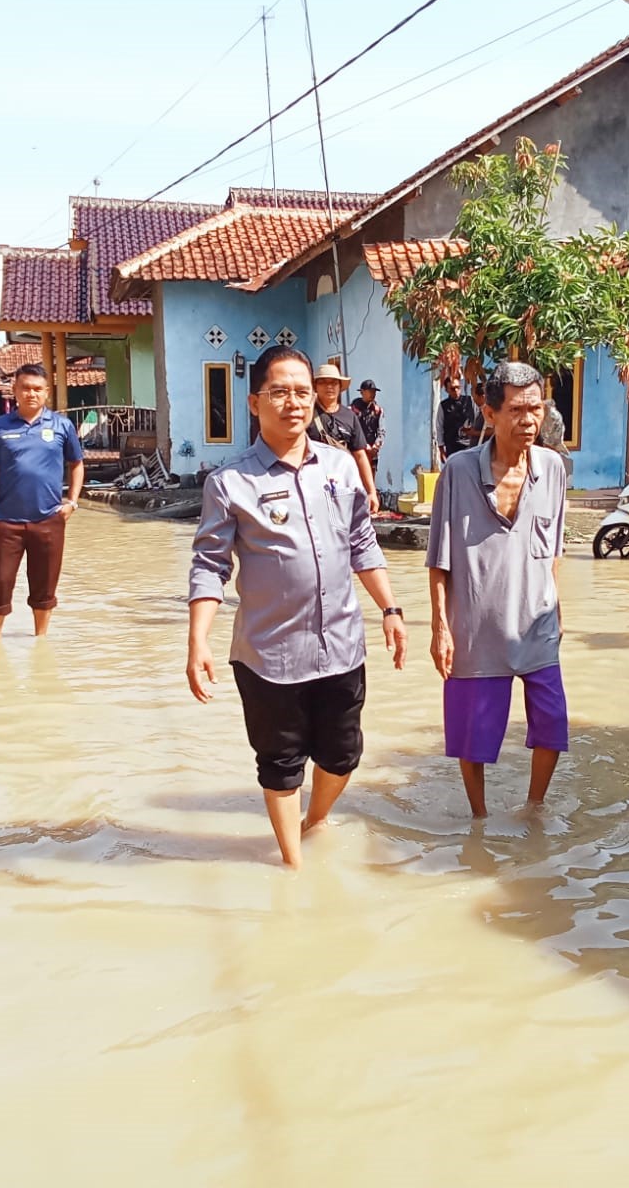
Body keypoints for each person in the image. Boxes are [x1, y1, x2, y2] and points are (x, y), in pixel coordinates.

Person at [187, 345, 408, 869]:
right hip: (270, 654)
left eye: (302, 392)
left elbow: (361, 542)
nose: (293, 403)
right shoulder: (230, 482)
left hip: (341, 644)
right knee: (281, 764)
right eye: (279, 392)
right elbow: (210, 564)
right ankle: (292, 867)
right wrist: (198, 639)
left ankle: (315, 820)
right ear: (254, 401)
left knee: (343, 754)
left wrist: (391, 609)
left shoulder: (339, 467)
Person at [425, 361, 569, 819]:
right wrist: (440, 627)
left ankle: (533, 807)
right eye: (517, 410)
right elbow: (438, 556)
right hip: (476, 625)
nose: (529, 420)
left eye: (537, 408)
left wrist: (558, 608)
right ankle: (480, 819)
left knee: (552, 724)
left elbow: (555, 548)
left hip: (537, 622)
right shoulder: (458, 471)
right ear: (490, 413)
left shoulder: (554, 469)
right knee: (474, 735)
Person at [0, 363, 84, 639]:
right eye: (25, 388)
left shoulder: (62, 425)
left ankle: (40, 641)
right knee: (0, 583)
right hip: (7, 522)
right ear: (15, 390)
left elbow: (77, 464)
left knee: (45, 586)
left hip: (49, 519)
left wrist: (72, 501)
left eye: (37, 389)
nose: (31, 394)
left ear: (47, 392)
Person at [307, 363, 379, 513]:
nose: (329, 387)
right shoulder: (306, 414)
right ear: (315, 386)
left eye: (334, 382)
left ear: (340, 386)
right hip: (312, 488)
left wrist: (371, 491)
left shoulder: (349, 416)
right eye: (323, 382)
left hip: (343, 488)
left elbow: (360, 455)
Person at [350, 378, 385, 490]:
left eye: (374, 392)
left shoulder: (378, 410)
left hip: (372, 452)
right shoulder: (352, 410)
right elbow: (352, 430)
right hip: (356, 450)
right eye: (370, 391)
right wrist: (364, 445)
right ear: (362, 392)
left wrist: (376, 445)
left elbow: (381, 431)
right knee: (356, 480)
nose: (372, 394)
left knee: (370, 482)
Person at [435, 375, 472, 462]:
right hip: (452, 447)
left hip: (469, 446)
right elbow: (439, 427)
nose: (456, 390)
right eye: (452, 388)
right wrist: (441, 450)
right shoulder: (443, 406)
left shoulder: (469, 401)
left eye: (458, 387)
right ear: (446, 390)